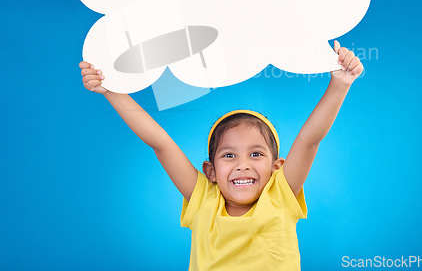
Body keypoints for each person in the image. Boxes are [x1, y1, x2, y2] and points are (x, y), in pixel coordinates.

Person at [79, 40, 363, 270]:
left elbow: (310, 140)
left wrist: (340, 83)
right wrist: (110, 91)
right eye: (229, 156)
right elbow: (160, 143)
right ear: (210, 170)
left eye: (256, 154)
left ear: (277, 167)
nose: (242, 165)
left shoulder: (280, 194)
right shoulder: (203, 199)